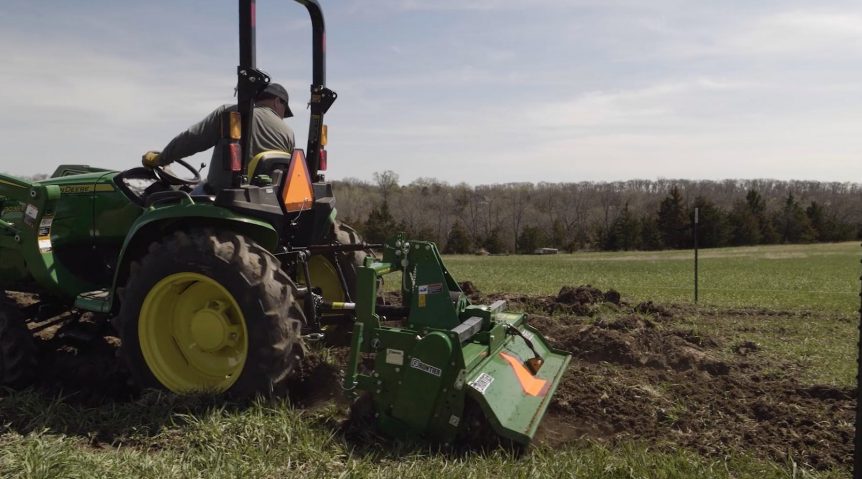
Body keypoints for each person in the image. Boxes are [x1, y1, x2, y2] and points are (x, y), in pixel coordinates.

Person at [142, 83, 295, 193]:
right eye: (285, 111)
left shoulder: (230, 113)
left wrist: (161, 159)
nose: (283, 116)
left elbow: (192, 139)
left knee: (165, 201)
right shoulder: (289, 133)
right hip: (266, 199)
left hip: (223, 195)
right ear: (277, 102)